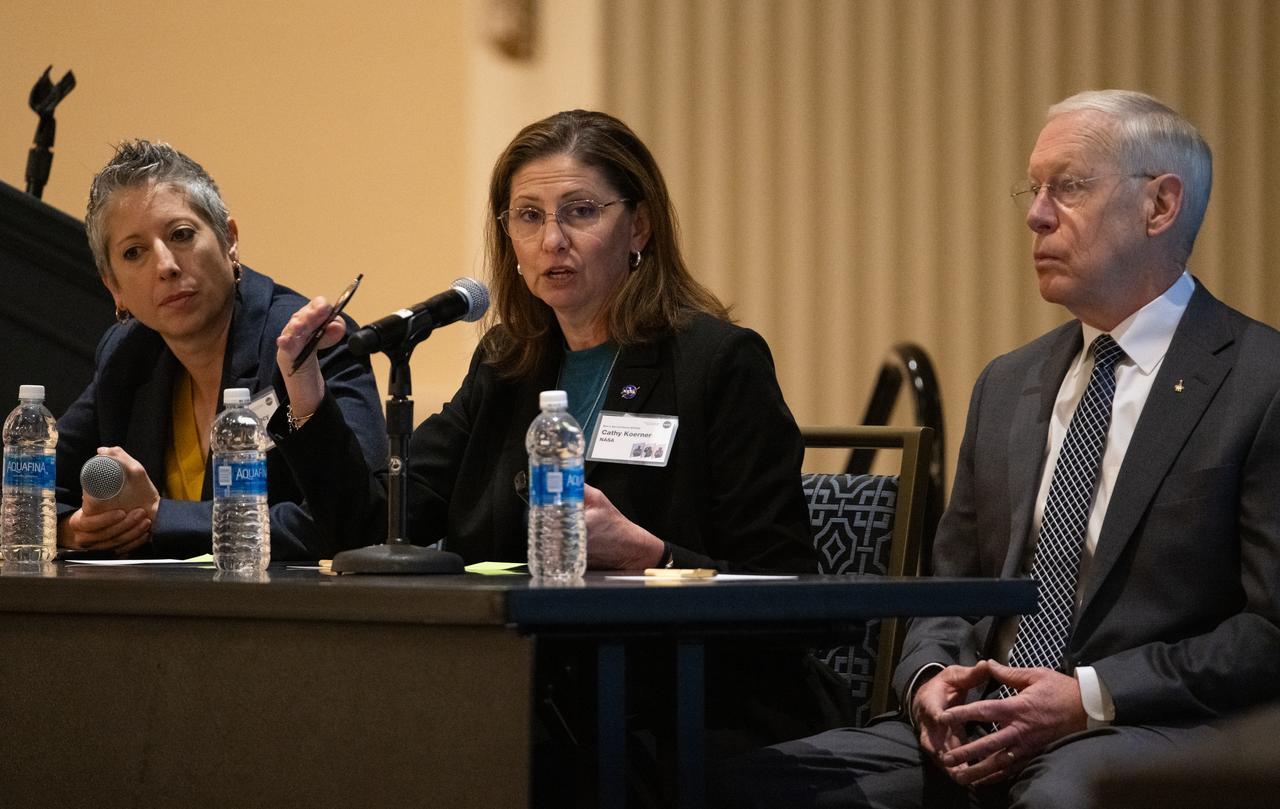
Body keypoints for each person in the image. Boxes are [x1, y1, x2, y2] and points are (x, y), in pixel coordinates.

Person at [714, 90, 1280, 808]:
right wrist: (928, 682)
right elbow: (949, 587)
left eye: (1068, 187)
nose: (1036, 214)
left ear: (1159, 206)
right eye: (1034, 188)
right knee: (745, 785)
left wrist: (1087, 696)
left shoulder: (1259, 381)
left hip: (1145, 726)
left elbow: (1269, 631)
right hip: (980, 717)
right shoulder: (1009, 381)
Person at [274, 109, 814, 573]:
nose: (552, 240)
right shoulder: (506, 365)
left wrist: (651, 555)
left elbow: (785, 581)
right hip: (514, 673)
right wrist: (306, 392)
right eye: (529, 217)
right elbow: (371, 529)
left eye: (580, 212)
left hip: (673, 676)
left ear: (639, 227)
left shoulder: (716, 363)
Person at [55, 140, 386, 561]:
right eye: (133, 252)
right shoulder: (127, 354)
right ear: (114, 288)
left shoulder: (308, 345)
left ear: (229, 240)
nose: (166, 266)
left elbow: (352, 522)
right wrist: (72, 529)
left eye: (181, 235)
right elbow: (21, 484)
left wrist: (162, 519)